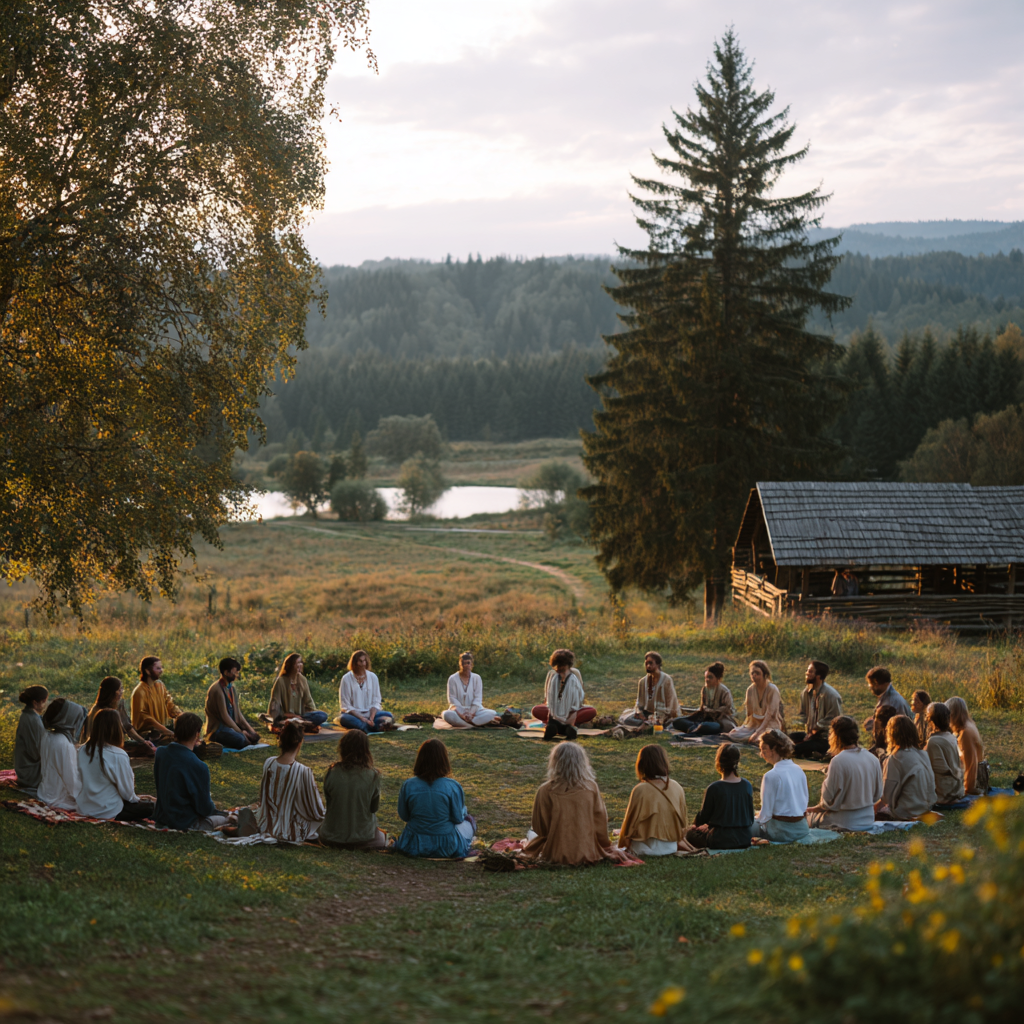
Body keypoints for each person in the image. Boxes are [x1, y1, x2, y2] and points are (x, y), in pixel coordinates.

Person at [522, 742, 623, 865]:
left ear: (555, 762)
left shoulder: (545, 790)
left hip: (555, 851)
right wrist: (605, 846)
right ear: (582, 763)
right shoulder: (591, 787)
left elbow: (540, 828)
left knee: (531, 834)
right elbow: (600, 823)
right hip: (587, 850)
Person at [242, 722, 324, 844]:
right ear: (300, 743)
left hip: (266, 822)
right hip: (292, 828)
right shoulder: (303, 771)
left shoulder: (269, 763)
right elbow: (315, 809)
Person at [394, 739, 475, 858]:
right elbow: (458, 818)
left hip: (414, 844)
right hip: (447, 846)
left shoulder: (408, 785)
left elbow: (404, 816)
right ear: (444, 760)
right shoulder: (453, 786)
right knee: (470, 821)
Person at [153, 713, 232, 831]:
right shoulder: (198, 766)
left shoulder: (161, 753)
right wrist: (218, 811)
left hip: (161, 817)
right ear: (197, 734)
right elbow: (204, 809)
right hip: (184, 822)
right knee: (228, 819)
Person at [75, 709, 156, 821]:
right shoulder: (118, 754)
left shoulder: (82, 750)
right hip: (109, 810)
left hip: (84, 808)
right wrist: (140, 799)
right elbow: (128, 794)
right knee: (152, 807)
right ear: (117, 729)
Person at [806, 716, 882, 830]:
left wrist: (813, 809)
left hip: (843, 821)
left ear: (836, 736)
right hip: (868, 819)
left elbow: (828, 800)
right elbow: (877, 795)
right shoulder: (873, 759)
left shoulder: (838, 761)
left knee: (805, 818)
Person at [321, 729, 387, 849]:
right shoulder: (373, 775)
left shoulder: (332, 772)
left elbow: (330, 803)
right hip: (363, 837)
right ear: (366, 750)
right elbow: (374, 808)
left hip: (331, 836)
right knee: (382, 837)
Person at [617, 745, 688, 856]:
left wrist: (623, 845)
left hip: (644, 848)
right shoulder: (677, 786)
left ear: (641, 765)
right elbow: (683, 823)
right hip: (671, 847)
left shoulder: (641, 789)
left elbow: (629, 826)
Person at [684, 744, 755, 850]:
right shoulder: (747, 785)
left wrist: (698, 825)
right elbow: (751, 817)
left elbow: (704, 816)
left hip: (720, 839)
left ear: (718, 762)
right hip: (744, 837)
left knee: (690, 834)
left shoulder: (715, 788)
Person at [751, 729, 809, 843]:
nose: (762, 754)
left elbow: (766, 815)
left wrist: (756, 817)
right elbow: (804, 803)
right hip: (802, 828)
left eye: (764, 749)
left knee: (746, 825)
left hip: (781, 831)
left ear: (775, 749)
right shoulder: (798, 769)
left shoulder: (771, 776)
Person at [874, 715, 936, 821]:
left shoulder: (895, 758)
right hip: (927, 807)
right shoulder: (923, 753)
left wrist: (873, 808)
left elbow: (886, 797)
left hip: (907, 811)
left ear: (891, 735)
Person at [532, 649, 596, 741]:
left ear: (568, 665)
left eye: (562, 666)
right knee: (536, 710)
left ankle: (560, 726)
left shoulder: (575, 673)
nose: (559, 669)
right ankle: (563, 727)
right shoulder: (551, 674)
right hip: (554, 710)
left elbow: (579, 698)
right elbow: (548, 698)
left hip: (571, 710)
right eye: (557, 666)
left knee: (591, 711)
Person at [86, 677, 156, 758]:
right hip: (103, 746)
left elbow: (128, 727)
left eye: (121, 689)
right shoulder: (97, 710)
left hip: (117, 744)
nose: (121, 692)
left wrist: (143, 741)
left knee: (147, 748)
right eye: (119, 690)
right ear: (111, 692)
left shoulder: (118, 705)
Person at [37, 698, 87, 810]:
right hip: (57, 796)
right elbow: (71, 780)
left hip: (46, 790)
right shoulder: (63, 743)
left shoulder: (48, 735)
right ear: (68, 720)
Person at [788, 660, 843, 758]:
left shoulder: (831, 695)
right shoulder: (806, 692)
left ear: (819, 676)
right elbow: (803, 715)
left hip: (826, 739)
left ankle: (819, 753)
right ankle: (809, 753)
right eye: (807, 671)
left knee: (796, 748)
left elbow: (833, 720)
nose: (806, 673)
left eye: (810, 672)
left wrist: (815, 729)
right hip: (810, 735)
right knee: (786, 738)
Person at [723, 660, 784, 744]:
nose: (754, 675)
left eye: (757, 673)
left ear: (765, 675)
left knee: (760, 739)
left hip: (769, 725)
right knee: (733, 734)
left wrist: (758, 732)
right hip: (754, 725)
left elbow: (770, 715)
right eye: (752, 673)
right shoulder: (750, 690)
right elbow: (749, 715)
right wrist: (744, 727)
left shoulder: (772, 689)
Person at [204, 657, 259, 750]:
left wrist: (251, 731)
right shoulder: (217, 689)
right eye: (235, 673)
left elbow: (238, 713)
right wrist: (242, 733)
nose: (237, 675)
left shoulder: (231, 688)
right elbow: (224, 716)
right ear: (226, 673)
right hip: (218, 730)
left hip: (230, 728)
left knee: (254, 737)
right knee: (241, 739)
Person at [671, 662, 736, 735]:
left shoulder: (724, 691)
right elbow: (701, 709)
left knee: (705, 726)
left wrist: (712, 711)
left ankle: (696, 729)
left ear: (718, 678)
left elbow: (727, 709)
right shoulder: (705, 689)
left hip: (720, 721)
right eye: (706, 677)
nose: (707, 680)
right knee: (677, 721)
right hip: (704, 719)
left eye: (710, 677)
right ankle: (695, 729)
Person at [619, 652, 680, 727]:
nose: (648, 666)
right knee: (627, 719)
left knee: (660, 723)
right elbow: (639, 703)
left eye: (651, 663)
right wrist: (640, 713)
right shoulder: (642, 681)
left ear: (658, 664)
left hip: (662, 715)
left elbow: (671, 705)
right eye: (646, 663)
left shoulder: (666, 680)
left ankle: (648, 725)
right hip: (645, 715)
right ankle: (646, 725)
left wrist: (659, 717)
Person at [267, 652, 329, 728]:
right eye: (298, 663)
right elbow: (274, 707)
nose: (300, 665)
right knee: (277, 719)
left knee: (322, 715)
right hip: (285, 716)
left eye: (301, 663)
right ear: (290, 666)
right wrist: (289, 715)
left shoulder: (302, 679)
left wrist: (311, 712)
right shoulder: (281, 681)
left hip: (301, 716)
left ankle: (298, 723)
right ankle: (300, 724)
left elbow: (309, 701)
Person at [338, 650, 393, 733]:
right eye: (360, 661)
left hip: (371, 714)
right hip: (354, 715)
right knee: (343, 719)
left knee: (389, 715)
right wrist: (363, 719)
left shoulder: (373, 677)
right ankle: (370, 727)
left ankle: (367, 726)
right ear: (354, 663)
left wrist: (371, 718)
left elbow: (376, 701)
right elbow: (346, 705)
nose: (363, 664)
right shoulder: (346, 678)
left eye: (365, 661)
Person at [131, 656, 183, 743]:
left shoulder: (160, 685)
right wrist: (164, 730)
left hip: (163, 730)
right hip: (146, 736)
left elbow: (169, 703)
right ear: (147, 671)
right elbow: (145, 717)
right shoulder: (139, 691)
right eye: (158, 668)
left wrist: (181, 715)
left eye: (161, 667)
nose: (161, 670)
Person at [442, 652, 498, 728]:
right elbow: (452, 699)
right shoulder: (452, 678)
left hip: (475, 711)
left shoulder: (477, 678)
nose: (465, 665)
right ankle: (470, 725)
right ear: (459, 664)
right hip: (457, 711)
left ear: (472, 664)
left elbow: (478, 698)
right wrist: (462, 714)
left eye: (468, 663)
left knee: (492, 713)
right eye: (463, 663)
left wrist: (471, 713)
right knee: (446, 714)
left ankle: (466, 723)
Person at [924, 702, 965, 805]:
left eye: (927, 717)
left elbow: (932, 769)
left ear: (931, 720)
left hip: (944, 794)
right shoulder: (950, 736)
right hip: (956, 789)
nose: (926, 720)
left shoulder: (933, 741)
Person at [946, 696, 987, 795]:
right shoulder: (967, 725)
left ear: (952, 713)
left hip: (975, 779)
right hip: (972, 772)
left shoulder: (965, 732)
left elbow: (970, 764)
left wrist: (967, 788)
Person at [14, 685, 48, 796]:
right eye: (43, 702)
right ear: (35, 702)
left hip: (23, 769)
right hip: (30, 774)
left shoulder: (26, 715)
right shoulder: (34, 720)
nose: (45, 705)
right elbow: (36, 754)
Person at [861, 666, 911, 734]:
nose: (871, 687)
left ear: (885, 684)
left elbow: (900, 726)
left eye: (874, 684)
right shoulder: (885, 696)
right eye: (870, 684)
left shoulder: (894, 701)